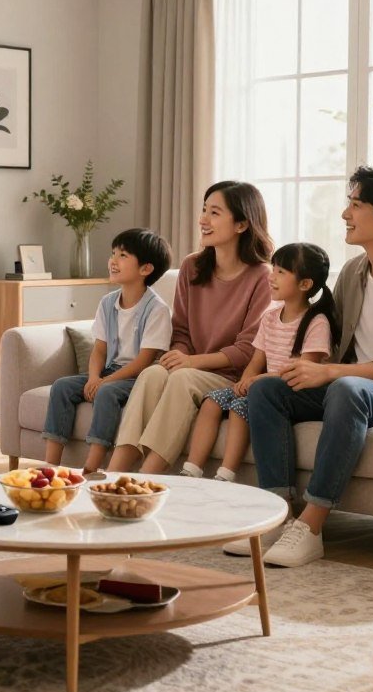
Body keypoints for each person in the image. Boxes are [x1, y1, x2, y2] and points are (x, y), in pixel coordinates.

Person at [239, 165, 373, 567]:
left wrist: (328, 374)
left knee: (345, 388)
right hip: (352, 390)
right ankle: (277, 513)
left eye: (356, 205)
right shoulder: (353, 272)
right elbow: (333, 345)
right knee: (266, 389)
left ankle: (313, 525)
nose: (345, 214)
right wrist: (302, 370)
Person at [107, 181, 274, 474]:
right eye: (203, 210)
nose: (203, 220)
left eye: (214, 212)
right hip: (190, 365)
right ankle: (115, 475)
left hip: (229, 376)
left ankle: (145, 481)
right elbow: (181, 330)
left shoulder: (262, 276)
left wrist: (191, 362)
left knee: (182, 379)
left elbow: (247, 349)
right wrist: (179, 356)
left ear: (241, 224)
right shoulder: (192, 266)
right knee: (152, 373)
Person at [182, 243, 339, 483]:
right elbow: (257, 360)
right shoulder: (270, 316)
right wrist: (245, 381)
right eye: (273, 269)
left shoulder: (316, 322)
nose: (271, 277)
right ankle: (191, 470)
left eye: (281, 273)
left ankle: (226, 474)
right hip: (261, 384)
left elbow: (304, 373)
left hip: (291, 393)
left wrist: (257, 381)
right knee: (212, 401)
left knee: (239, 408)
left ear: (305, 284)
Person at [41, 228, 173, 478]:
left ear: (146, 269)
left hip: (138, 378)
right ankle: (51, 466)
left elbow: (145, 361)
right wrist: (93, 378)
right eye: (113, 253)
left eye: (123, 255)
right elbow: (99, 349)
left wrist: (104, 382)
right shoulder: (107, 302)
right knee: (62, 386)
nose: (113, 260)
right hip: (109, 371)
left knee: (107, 393)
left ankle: (91, 467)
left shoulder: (157, 310)